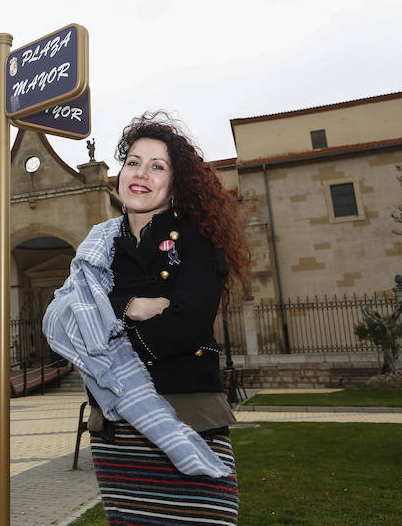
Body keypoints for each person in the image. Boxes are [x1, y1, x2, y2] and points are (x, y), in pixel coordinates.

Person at [43, 110, 250, 526]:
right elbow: (63, 318)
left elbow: (188, 322)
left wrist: (105, 329)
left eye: (158, 167)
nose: (141, 173)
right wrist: (131, 307)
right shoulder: (98, 249)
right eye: (133, 162)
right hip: (119, 434)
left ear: (175, 184)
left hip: (189, 416)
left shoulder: (196, 239)